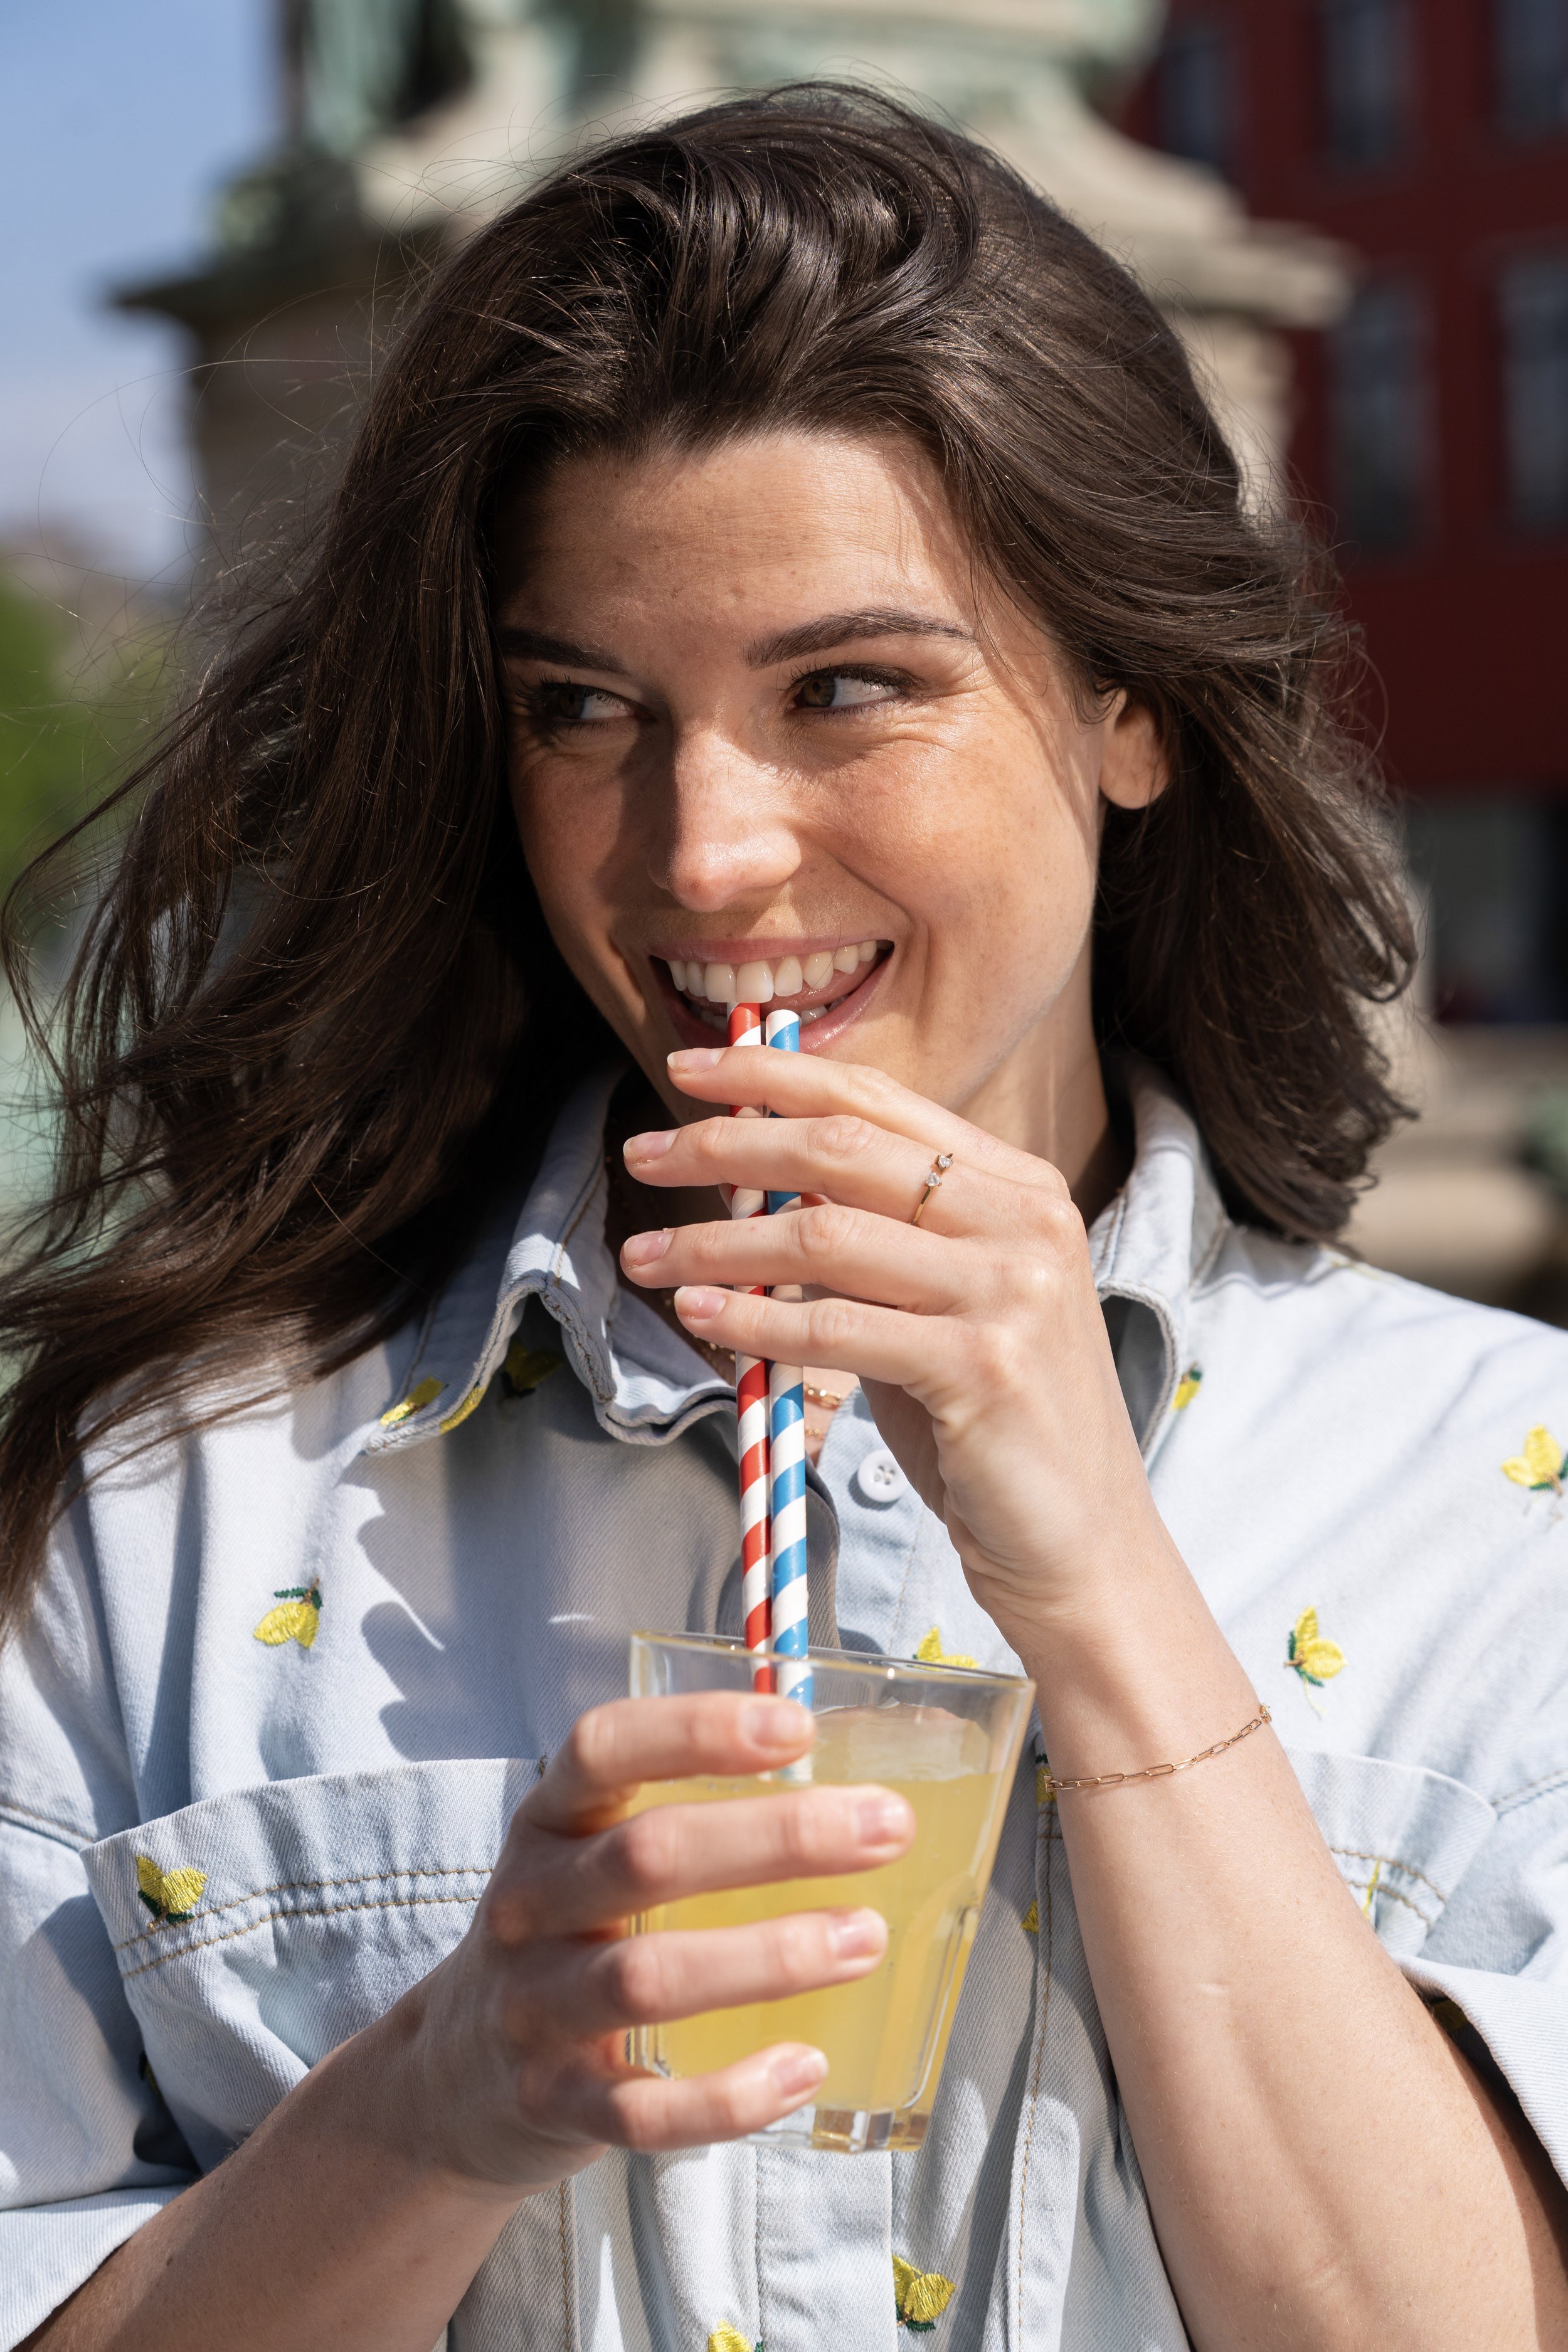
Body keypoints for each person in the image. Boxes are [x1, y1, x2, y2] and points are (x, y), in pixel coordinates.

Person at [1, 86, 1565, 2352]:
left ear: (1131, 702)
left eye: (848, 689)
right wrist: (439, 2097)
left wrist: (1101, 1587)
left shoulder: (1505, 1503)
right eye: (583, 710)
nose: (701, 850)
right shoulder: (163, 1517)